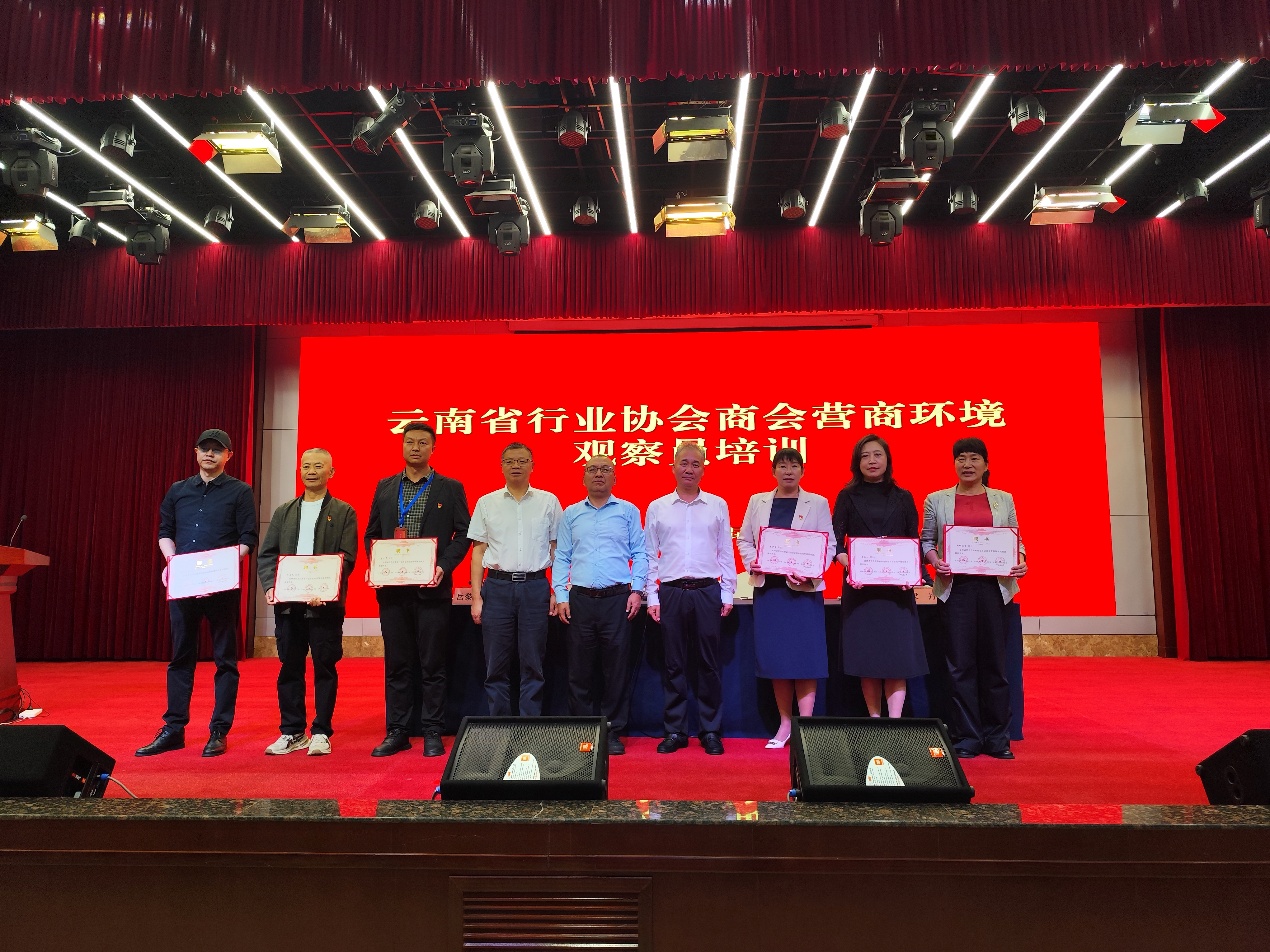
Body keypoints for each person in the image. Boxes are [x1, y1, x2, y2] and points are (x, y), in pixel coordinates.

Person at [136, 428, 256, 758]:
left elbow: (248, 538)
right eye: (205, 449)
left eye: (217, 450)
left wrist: (220, 568)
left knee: (225, 660)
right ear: (196, 453)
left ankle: (219, 730)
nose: (210, 454)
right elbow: (165, 532)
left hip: (221, 586)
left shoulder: (240, 491)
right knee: (181, 658)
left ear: (228, 456)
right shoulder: (178, 490)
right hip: (185, 584)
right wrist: (174, 563)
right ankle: (174, 729)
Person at [364, 422, 471, 758]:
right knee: (397, 663)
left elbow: (463, 534)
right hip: (393, 592)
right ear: (402, 446)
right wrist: (376, 563)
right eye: (409, 442)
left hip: (431, 589)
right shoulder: (385, 486)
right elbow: (372, 533)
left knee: (432, 663)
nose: (415, 448)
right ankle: (397, 730)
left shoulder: (450, 488)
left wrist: (443, 566)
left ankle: (432, 729)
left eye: (423, 443)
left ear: (433, 448)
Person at [920, 437, 1027, 760]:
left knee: (995, 664)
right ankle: (966, 736)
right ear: (954, 463)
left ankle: (997, 738)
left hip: (995, 589)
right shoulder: (936, 500)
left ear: (986, 464)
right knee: (960, 665)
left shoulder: (1003, 499)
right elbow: (926, 541)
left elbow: (1015, 539)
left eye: (974, 458)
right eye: (961, 458)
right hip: (956, 590)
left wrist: (1021, 560)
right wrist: (936, 561)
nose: (967, 464)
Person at [256, 448, 358, 756]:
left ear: (331, 472)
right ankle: (292, 731)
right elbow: (267, 555)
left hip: (324, 606)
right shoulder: (284, 512)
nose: (311, 471)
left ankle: (321, 732)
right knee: (290, 666)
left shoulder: (344, 512)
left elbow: (347, 558)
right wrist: (271, 587)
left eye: (318, 466)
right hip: (288, 604)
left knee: (324, 666)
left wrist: (325, 589)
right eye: (306, 466)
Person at [736, 448, 834, 748]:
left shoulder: (818, 502)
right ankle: (785, 724)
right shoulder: (757, 501)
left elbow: (828, 545)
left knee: (805, 659)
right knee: (777, 660)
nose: (788, 471)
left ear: (803, 471)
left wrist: (811, 571)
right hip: (770, 592)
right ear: (773, 471)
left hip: (804, 592)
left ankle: (805, 726)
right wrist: (752, 561)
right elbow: (744, 539)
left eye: (794, 466)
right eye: (782, 466)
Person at [552, 454, 648, 756]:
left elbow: (640, 553)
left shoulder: (628, 511)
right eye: (592, 469)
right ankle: (583, 731)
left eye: (605, 469)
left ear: (614, 478)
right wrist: (561, 595)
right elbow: (562, 557)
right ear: (583, 477)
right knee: (579, 670)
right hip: (580, 600)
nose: (598, 474)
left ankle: (613, 731)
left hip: (618, 600)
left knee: (615, 670)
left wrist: (637, 590)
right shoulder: (571, 514)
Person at [644, 441, 736, 755]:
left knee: (709, 664)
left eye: (696, 464)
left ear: (704, 469)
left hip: (707, 591)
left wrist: (727, 591)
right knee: (674, 664)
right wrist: (652, 596)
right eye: (683, 463)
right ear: (673, 467)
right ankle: (675, 731)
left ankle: (710, 730)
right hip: (670, 591)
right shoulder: (657, 507)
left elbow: (725, 551)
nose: (689, 469)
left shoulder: (717, 505)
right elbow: (649, 555)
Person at [832, 434, 928, 719]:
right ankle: (875, 719)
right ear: (856, 463)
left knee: (897, 658)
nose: (871, 461)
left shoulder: (903, 497)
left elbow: (913, 540)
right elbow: (835, 542)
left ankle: (894, 722)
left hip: (897, 591)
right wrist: (849, 564)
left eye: (877, 455)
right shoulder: (847, 496)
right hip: (860, 590)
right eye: (865, 456)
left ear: (888, 460)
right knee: (869, 658)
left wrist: (914, 574)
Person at [468, 442, 563, 717]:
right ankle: (499, 724)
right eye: (510, 461)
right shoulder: (487, 503)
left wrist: (556, 591)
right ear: (501, 466)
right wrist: (476, 597)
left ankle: (529, 725)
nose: (516, 466)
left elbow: (557, 550)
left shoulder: (548, 501)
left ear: (533, 466)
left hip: (535, 587)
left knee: (533, 663)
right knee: (495, 664)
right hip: (497, 588)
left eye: (522, 461)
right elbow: (478, 553)